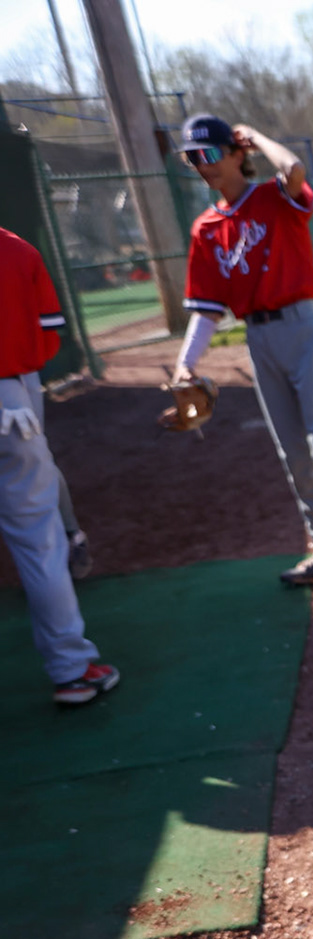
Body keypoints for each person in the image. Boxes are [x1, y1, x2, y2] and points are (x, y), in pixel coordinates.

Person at [171, 114, 313, 590]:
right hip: (258, 338)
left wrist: (256, 137)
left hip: (302, 326)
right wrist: (185, 363)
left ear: (237, 154)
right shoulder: (206, 229)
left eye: (208, 153)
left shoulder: (274, 198)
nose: (201, 165)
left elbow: (294, 170)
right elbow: (207, 310)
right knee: (293, 454)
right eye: (191, 158)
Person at [0, 225, 119, 704]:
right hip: (11, 396)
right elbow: (50, 338)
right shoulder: (16, 249)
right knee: (38, 540)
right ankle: (72, 670)